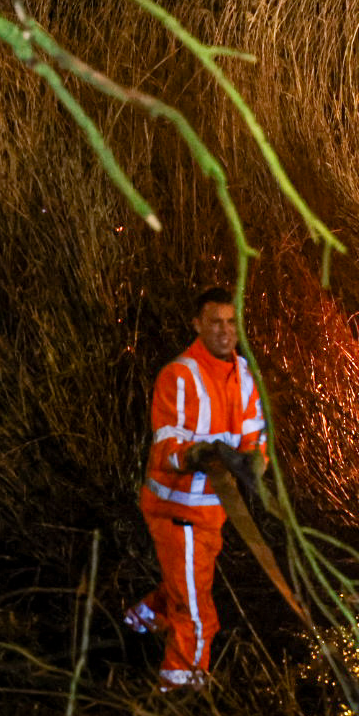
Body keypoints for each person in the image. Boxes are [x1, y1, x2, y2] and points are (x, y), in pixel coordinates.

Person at [125, 287, 267, 692]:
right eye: (215, 322)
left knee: (184, 585)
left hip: (211, 514)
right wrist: (198, 453)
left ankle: (136, 626)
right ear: (198, 325)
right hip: (176, 510)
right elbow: (166, 447)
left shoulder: (243, 378)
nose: (224, 331)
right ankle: (182, 689)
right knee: (198, 611)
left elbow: (255, 439)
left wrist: (254, 463)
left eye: (230, 322)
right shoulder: (179, 376)